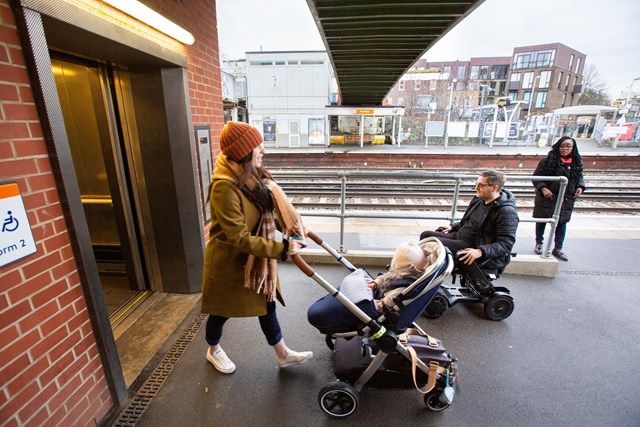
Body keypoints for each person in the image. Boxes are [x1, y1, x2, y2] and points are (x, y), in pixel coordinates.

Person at [201, 121, 312, 374]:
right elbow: (238, 237)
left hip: (255, 260)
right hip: (230, 263)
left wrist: (292, 228)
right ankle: (213, 349)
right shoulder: (224, 187)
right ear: (243, 152)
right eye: (256, 146)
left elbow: (271, 209)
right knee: (221, 313)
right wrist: (282, 249)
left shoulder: (250, 178)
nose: (262, 150)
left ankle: (282, 354)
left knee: (267, 304)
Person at [307, 240, 434, 335]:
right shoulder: (403, 274)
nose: (393, 262)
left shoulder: (403, 287)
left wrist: (382, 303)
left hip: (380, 307)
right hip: (376, 294)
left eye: (395, 261)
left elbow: (391, 300)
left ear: (407, 267)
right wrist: (377, 282)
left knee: (321, 313)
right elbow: (387, 277)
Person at [419, 170, 519, 288]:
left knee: (432, 244)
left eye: (481, 185)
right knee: (426, 236)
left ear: (494, 188)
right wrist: (454, 227)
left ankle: (424, 282)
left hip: (474, 246)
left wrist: (480, 251)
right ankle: (422, 277)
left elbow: (506, 244)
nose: (476, 188)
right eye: (476, 183)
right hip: (460, 236)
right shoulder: (479, 200)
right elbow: (468, 221)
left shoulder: (506, 212)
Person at [532, 136, 585, 261]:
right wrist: (543, 188)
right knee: (542, 221)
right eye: (562, 146)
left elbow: (579, 177)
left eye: (568, 146)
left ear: (573, 148)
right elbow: (536, 177)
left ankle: (558, 248)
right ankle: (539, 243)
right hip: (547, 197)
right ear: (558, 146)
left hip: (566, 198)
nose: (565, 149)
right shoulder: (547, 161)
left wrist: (581, 187)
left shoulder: (576, 162)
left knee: (562, 223)